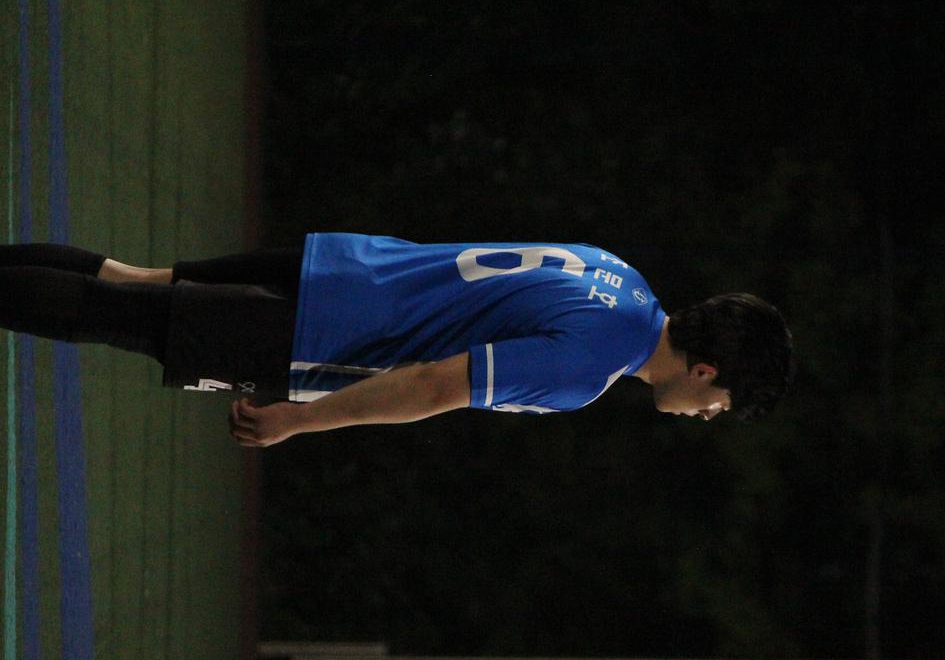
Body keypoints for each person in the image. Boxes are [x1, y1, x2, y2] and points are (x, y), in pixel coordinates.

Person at [0, 235, 795, 447]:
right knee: (114, 313)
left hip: (345, 264)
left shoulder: (620, 274)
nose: (708, 415)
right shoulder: (594, 364)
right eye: (720, 404)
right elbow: (434, 384)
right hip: (325, 332)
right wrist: (303, 419)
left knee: (130, 280)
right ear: (705, 371)